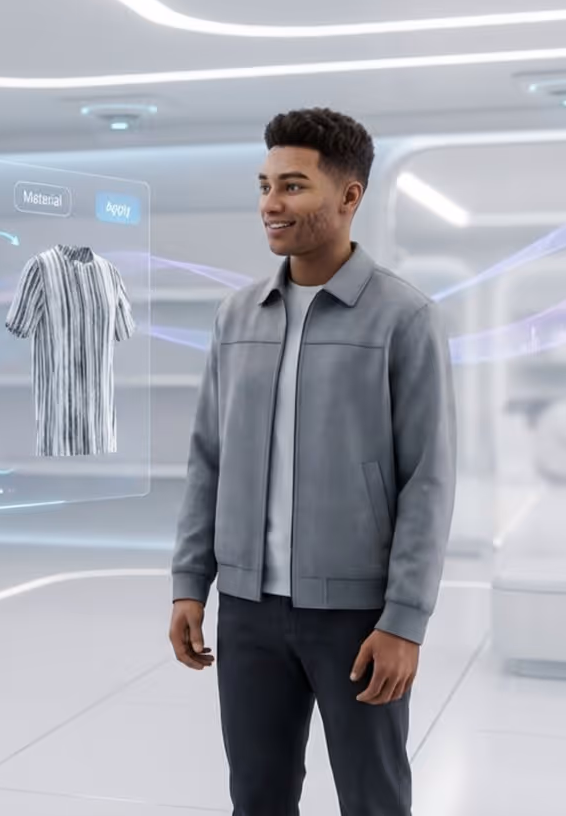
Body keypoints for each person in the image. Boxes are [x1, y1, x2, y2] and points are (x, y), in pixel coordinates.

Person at [168, 108, 457, 816]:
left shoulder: (403, 319)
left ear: (349, 197)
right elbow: (207, 456)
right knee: (258, 797)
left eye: (293, 186)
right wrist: (189, 582)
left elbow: (429, 479)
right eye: (266, 185)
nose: (271, 203)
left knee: (373, 798)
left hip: (357, 616)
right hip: (247, 611)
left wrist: (405, 621)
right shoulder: (237, 317)